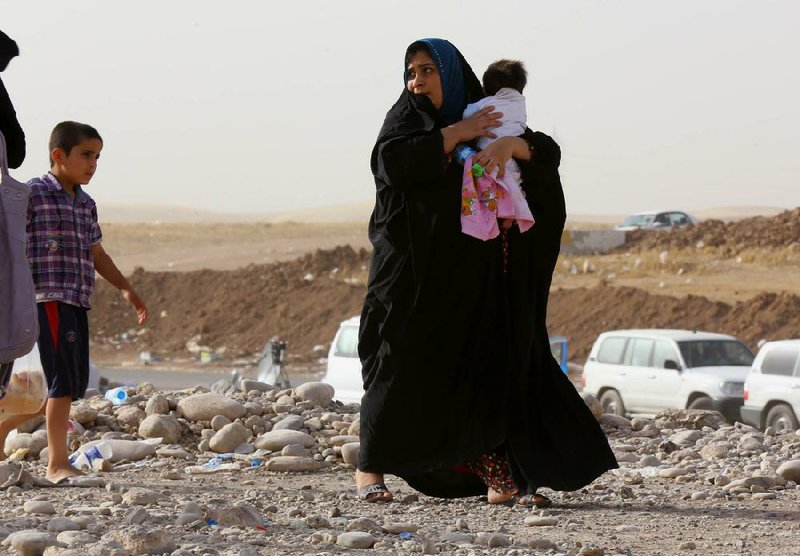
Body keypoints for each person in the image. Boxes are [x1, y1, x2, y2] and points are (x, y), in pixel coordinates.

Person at [356, 38, 617, 505]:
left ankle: (500, 478)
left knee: (483, 370)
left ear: (452, 76)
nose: (417, 81)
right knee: (395, 364)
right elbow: (394, 164)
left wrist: (513, 145)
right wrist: (458, 132)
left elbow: (547, 155)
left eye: (428, 71)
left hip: (468, 282)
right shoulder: (404, 124)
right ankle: (370, 472)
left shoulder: (486, 114)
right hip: (408, 280)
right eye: (412, 72)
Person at [0, 121, 148, 482]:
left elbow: (96, 252)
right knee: (58, 384)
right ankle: (56, 463)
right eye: (85, 155)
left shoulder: (85, 204)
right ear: (58, 155)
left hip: (76, 300)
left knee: (53, 386)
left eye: (97, 156)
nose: (93, 163)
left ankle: (7, 436)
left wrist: (126, 288)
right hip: (45, 299)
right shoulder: (32, 194)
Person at [460, 59, 534, 240]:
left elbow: (466, 115)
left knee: (487, 186)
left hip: (489, 160)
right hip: (514, 161)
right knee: (515, 185)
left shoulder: (487, 104)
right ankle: (511, 217)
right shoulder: (520, 105)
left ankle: (490, 220)